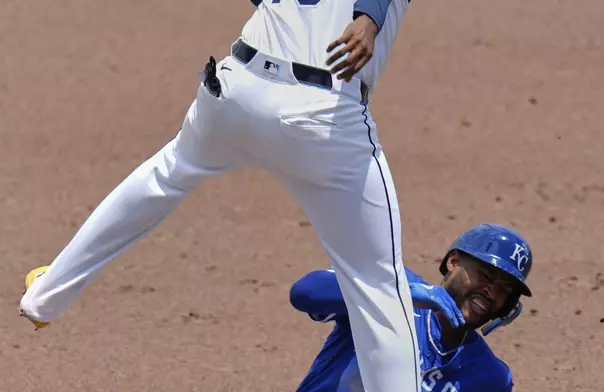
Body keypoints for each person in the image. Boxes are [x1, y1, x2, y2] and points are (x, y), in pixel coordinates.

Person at [19, 1, 422, 391]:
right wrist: (368, 17)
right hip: (322, 118)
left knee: (166, 174)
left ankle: (44, 295)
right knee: (379, 288)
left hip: (235, 89)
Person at [289, 223, 534, 391]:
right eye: (486, 276)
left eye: (504, 290)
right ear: (453, 262)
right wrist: (397, 295)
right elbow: (305, 293)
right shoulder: (391, 286)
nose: (492, 292)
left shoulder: (490, 377)